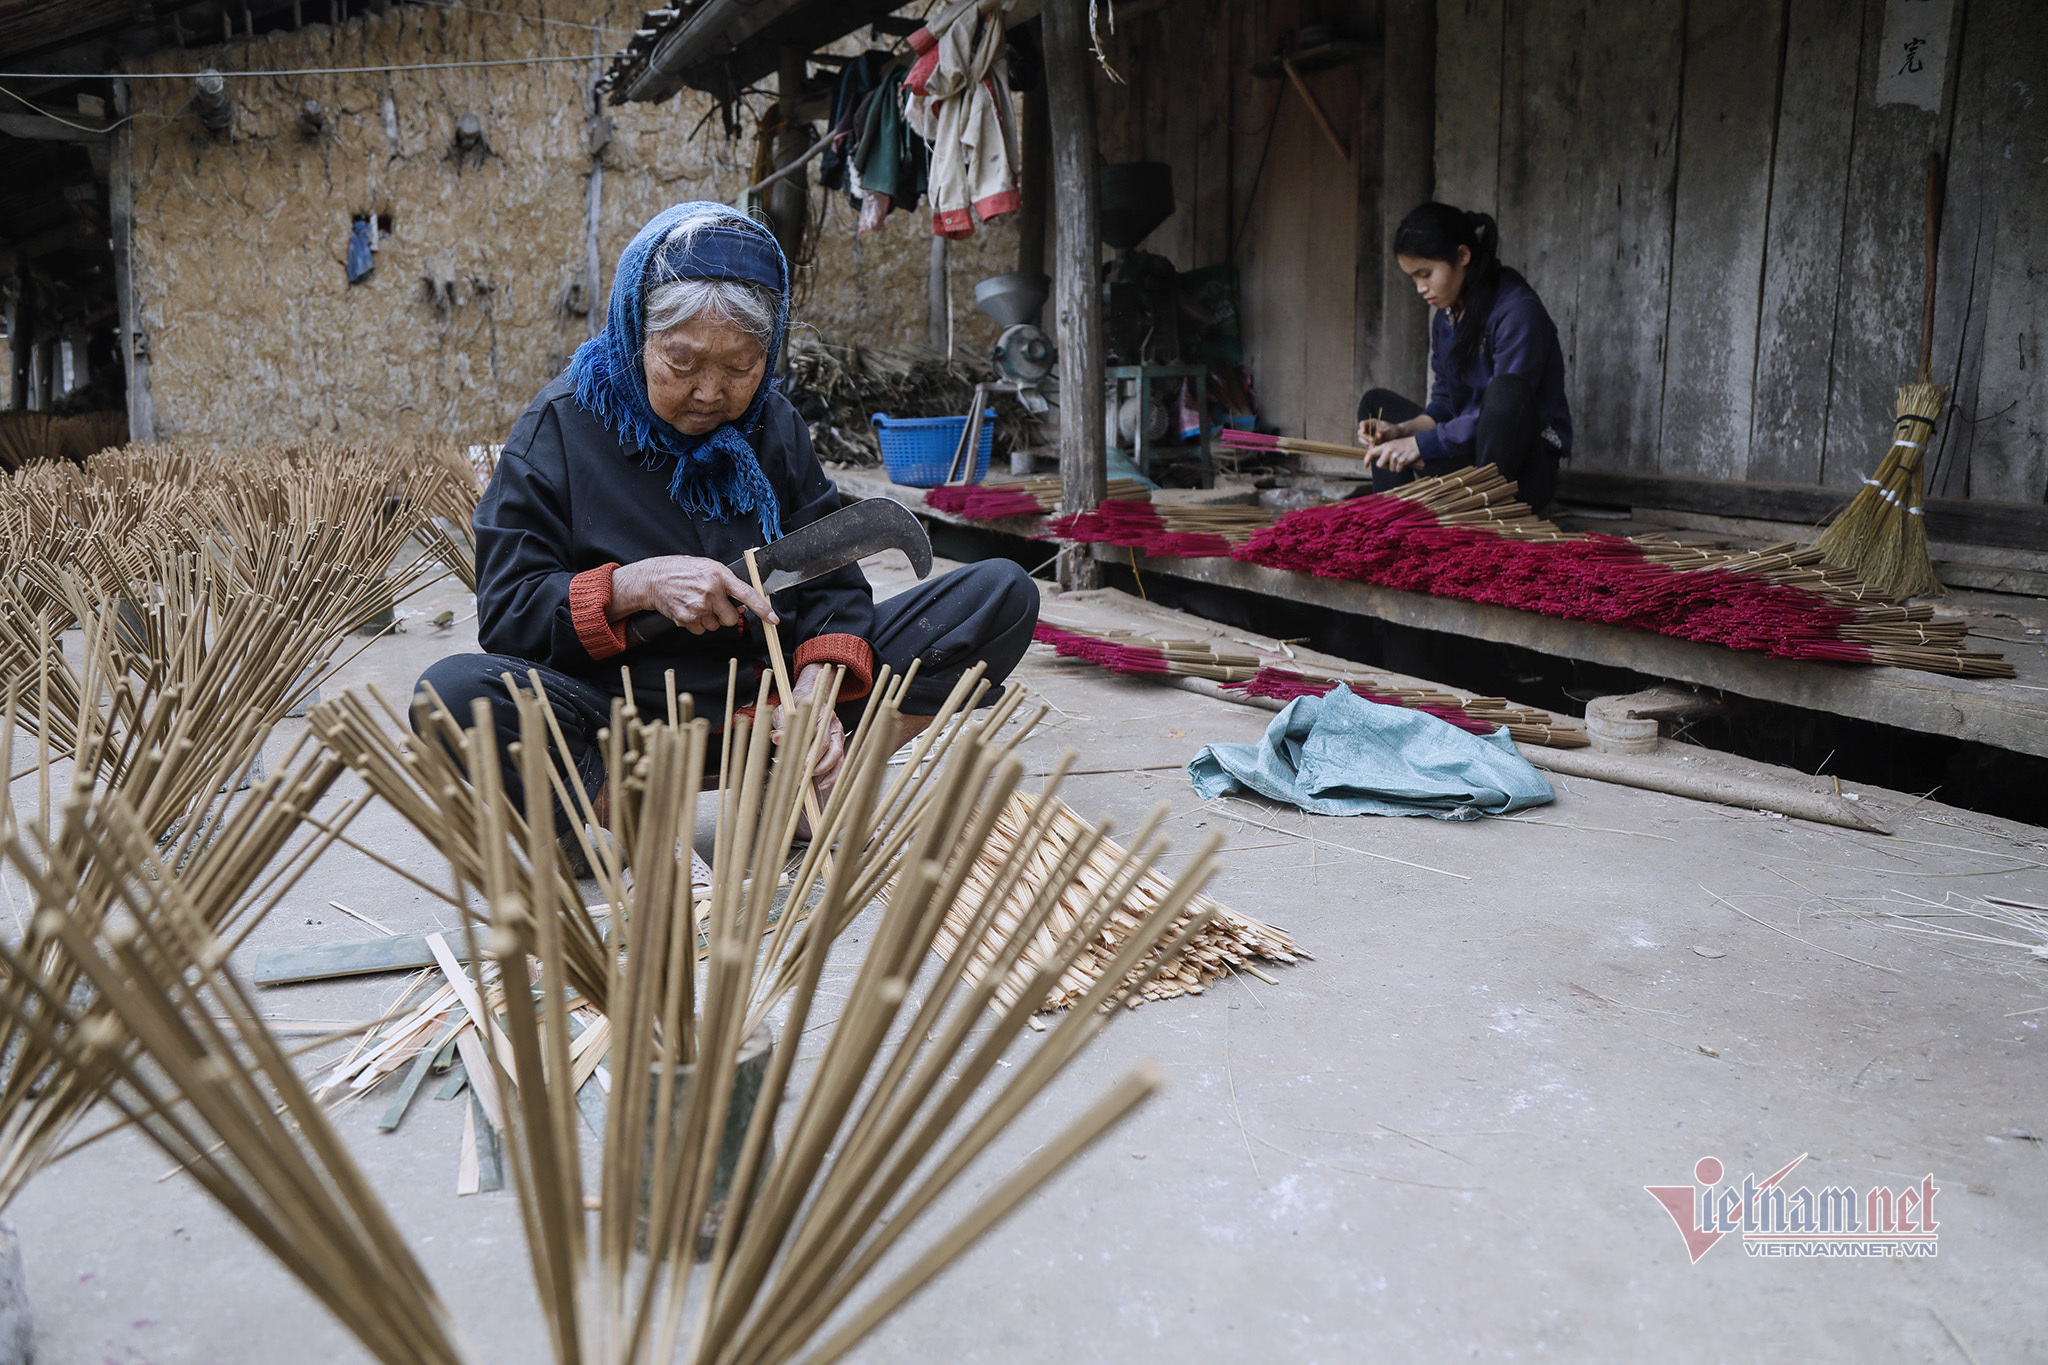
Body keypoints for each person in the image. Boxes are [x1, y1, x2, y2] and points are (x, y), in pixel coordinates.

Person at [417, 201, 1038, 833]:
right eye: (681, 362)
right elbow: (509, 612)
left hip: (769, 709)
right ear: (637, 335)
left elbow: (831, 583)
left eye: (741, 366)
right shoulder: (559, 429)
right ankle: (630, 825)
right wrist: (636, 586)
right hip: (623, 718)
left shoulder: (772, 424)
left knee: (1000, 595)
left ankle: (808, 779)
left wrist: (816, 689)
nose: (712, 392)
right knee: (454, 693)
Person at [1355, 203, 1572, 510]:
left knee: (1506, 391)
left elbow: (1503, 414)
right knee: (1375, 405)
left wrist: (1419, 445)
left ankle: (1484, 515)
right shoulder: (1447, 316)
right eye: (1413, 278)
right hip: (1466, 460)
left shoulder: (1518, 311)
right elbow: (1444, 406)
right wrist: (1401, 432)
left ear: (1462, 256)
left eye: (1425, 274)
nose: (1420, 288)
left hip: (1518, 472)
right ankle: (1394, 516)